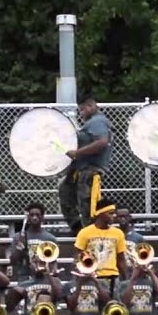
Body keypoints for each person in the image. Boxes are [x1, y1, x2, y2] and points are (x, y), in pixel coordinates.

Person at [60, 95, 112, 231]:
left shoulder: (97, 122)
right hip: (80, 169)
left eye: (82, 110)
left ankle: (90, 231)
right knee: (65, 192)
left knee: (87, 204)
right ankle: (78, 229)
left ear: (90, 106)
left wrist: (77, 153)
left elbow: (102, 142)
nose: (81, 114)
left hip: (91, 170)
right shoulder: (90, 123)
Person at [74, 193, 129, 291]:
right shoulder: (85, 232)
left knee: (112, 304)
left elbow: (121, 259)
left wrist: (125, 278)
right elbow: (78, 257)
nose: (114, 216)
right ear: (100, 214)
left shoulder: (118, 233)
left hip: (112, 276)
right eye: (110, 213)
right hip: (91, 276)